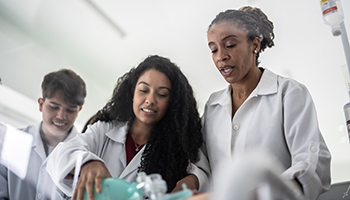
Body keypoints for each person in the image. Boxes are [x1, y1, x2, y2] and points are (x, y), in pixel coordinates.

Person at [198, 6, 331, 200]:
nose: (221, 57)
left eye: (230, 45)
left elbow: (311, 167)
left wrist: (252, 195)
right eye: (214, 49)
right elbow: (201, 166)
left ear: (255, 44)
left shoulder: (289, 93)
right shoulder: (213, 107)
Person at [46, 55, 209, 200]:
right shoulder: (104, 130)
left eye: (161, 94)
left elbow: (202, 174)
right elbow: (59, 157)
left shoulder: (177, 149)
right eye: (144, 90)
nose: (150, 100)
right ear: (132, 92)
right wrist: (87, 162)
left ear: (172, 102)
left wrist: (192, 180)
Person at [0, 69, 86, 199]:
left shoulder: (84, 155)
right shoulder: (12, 141)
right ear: (41, 104)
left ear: (79, 110)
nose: (61, 116)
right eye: (54, 106)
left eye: (70, 110)